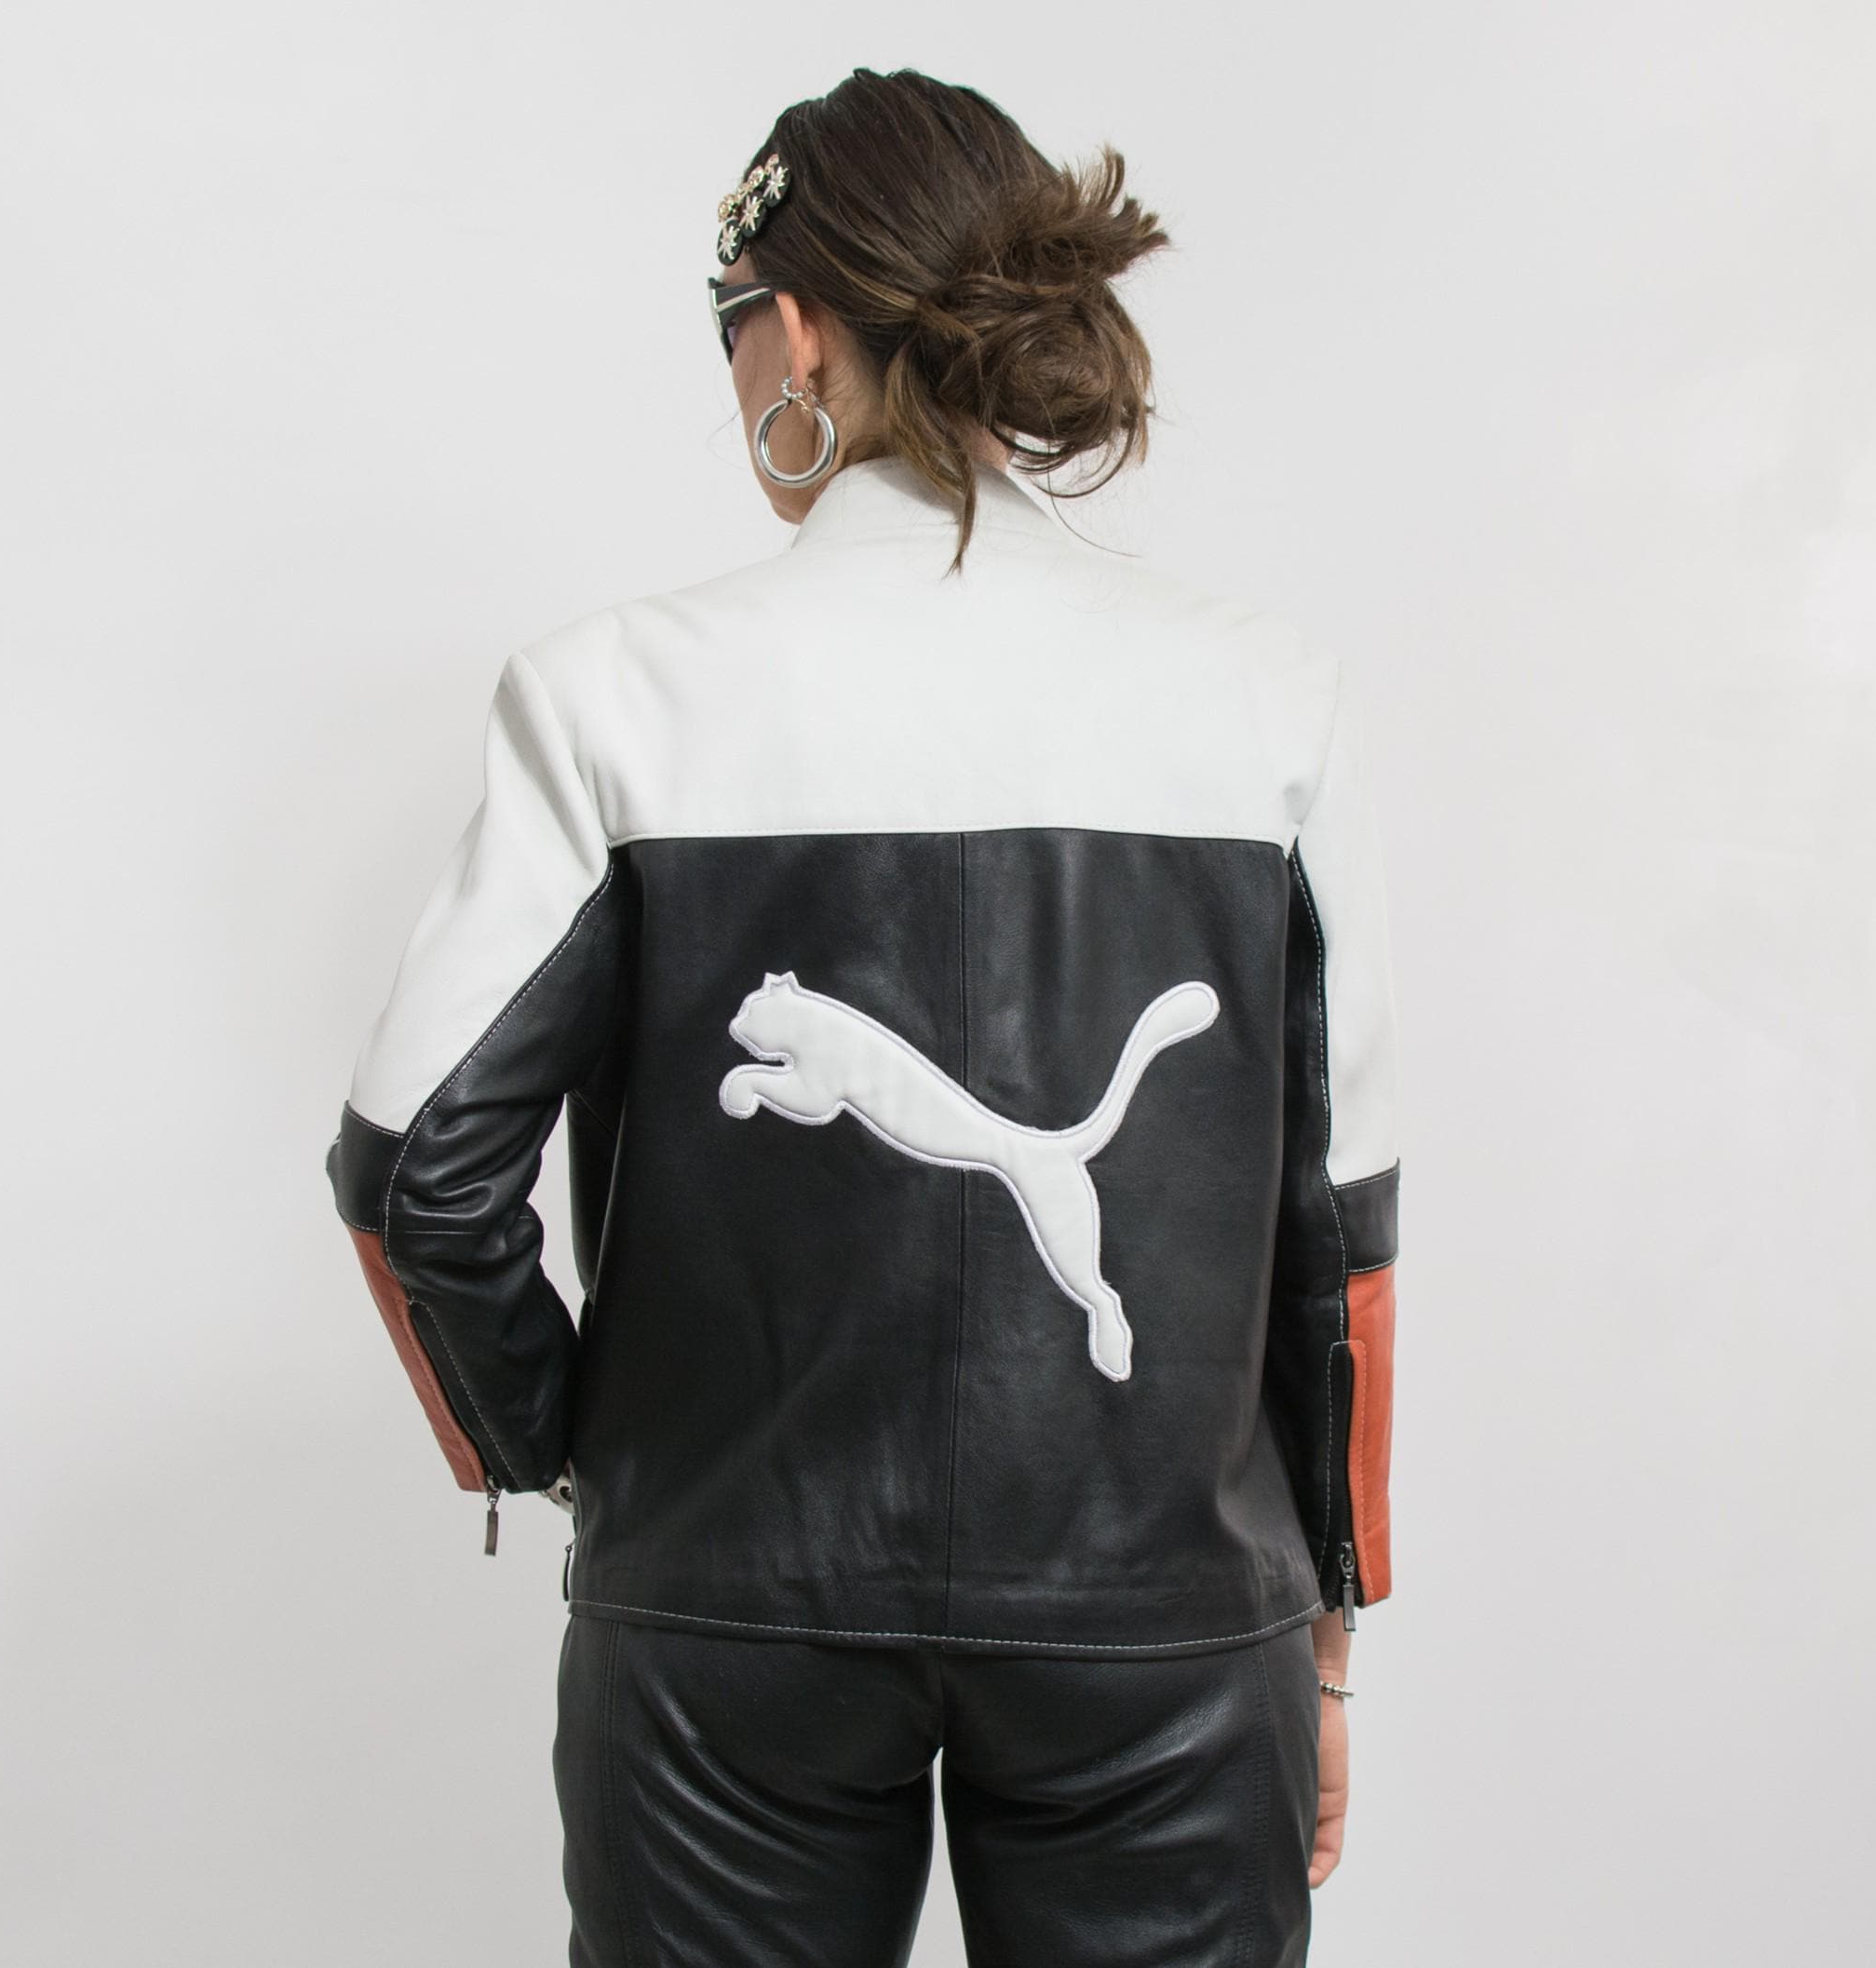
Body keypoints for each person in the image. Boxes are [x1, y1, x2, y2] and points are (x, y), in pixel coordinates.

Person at [324, 66, 1400, 1968]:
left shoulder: (616, 696)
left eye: (729, 328)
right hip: (1160, 1613)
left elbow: (416, 1167)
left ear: (798, 329)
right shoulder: (1264, 700)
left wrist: (571, 1451)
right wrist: (1320, 1625)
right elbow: (1340, 1236)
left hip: (728, 1610)